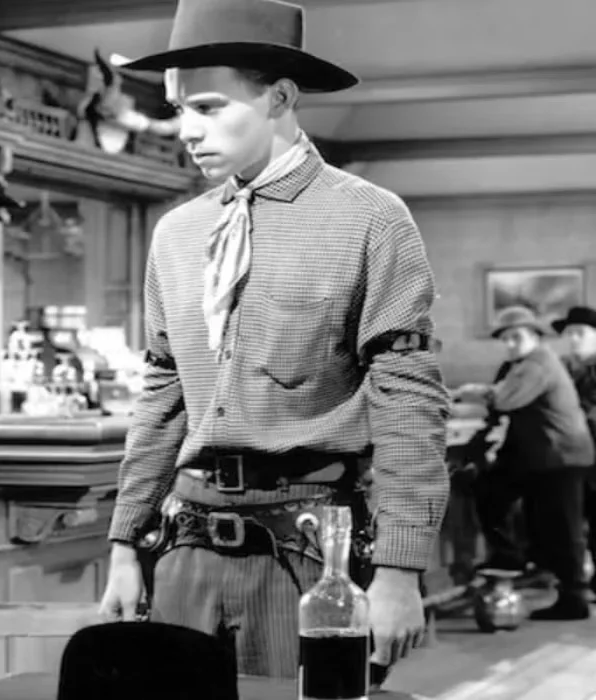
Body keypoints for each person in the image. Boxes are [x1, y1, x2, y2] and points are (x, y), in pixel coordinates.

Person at [97, 0, 449, 679]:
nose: (187, 133)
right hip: (186, 549)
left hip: (309, 554)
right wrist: (124, 542)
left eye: (207, 107)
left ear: (281, 96)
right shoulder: (177, 233)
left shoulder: (370, 220)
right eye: (178, 112)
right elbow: (162, 392)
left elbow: (408, 404)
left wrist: (400, 573)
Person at [461, 306, 594, 619]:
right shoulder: (525, 363)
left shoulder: (537, 364)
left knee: (562, 529)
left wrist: (467, 392)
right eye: (505, 339)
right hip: (543, 458)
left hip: (560, 457)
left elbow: (506, 399)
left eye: (516, 337)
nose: (510, 343)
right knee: (497, 491)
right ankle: (513, 558)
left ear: (535, 336)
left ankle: (571, 598)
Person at [556, 305, 596, 596]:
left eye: (580, 333)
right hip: (570, 453)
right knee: (572, 519)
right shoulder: (561, 367)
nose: (574, 339)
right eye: (569, 334)